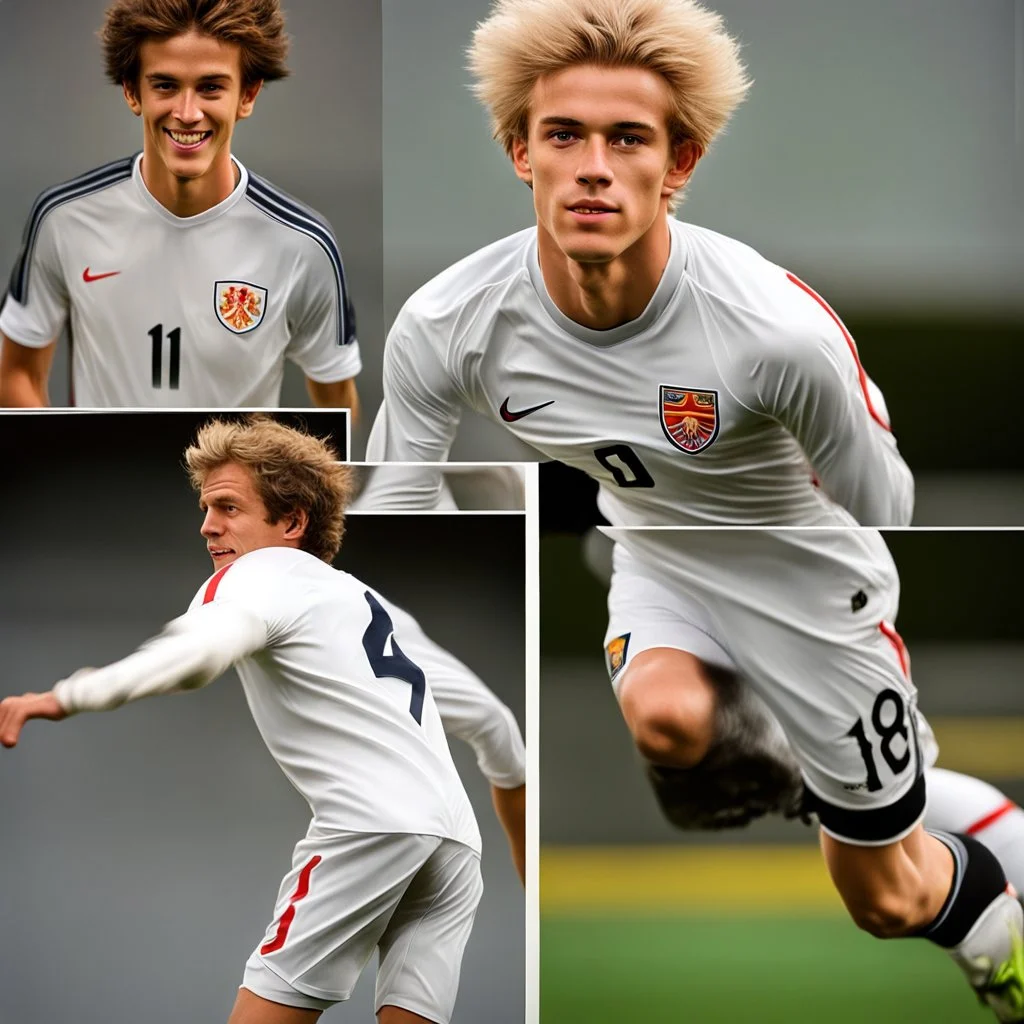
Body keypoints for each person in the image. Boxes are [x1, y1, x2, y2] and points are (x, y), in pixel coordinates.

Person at [369, 0, 1023, 1015]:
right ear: (518, 150)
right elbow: (401, 507)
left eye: (626, 138)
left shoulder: (771, 331)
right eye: (564, 135)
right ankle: (833, 762)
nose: (593, 165)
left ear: (678, 163)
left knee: (885, 897)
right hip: (660, 561)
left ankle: (1001, 942)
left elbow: (879, 498)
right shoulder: (450, 321)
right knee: (670, 720)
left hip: (810, 588)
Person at [0, 416, 525, 1024]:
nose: (206, 526)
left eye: (227, 506)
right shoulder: (369, 604)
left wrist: (68, 695)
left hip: (371, 824)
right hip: (456, 845)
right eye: (205, 507)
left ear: (292, 522)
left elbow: (196, 657)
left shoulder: (255, 574)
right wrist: (528, 875)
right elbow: (496, 726)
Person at [0, 0, 360, 411]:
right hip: (103, 477)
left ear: (248, 94)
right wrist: (66, 470)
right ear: (132, 91)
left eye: (210, 87)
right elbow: (17, 375)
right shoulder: (63, 220)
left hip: (232, 478)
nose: (187, 113)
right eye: (165, 85)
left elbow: (338, 412)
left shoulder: (304, 244)